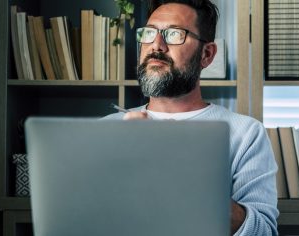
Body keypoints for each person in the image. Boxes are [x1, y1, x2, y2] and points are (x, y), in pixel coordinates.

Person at [103, 0, 279, 235]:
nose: (157, 45)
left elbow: (263, 231)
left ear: (207, 54)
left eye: (174, 34)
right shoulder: (105, 130)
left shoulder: (246, 133)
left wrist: (177, 170)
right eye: (149, 33)